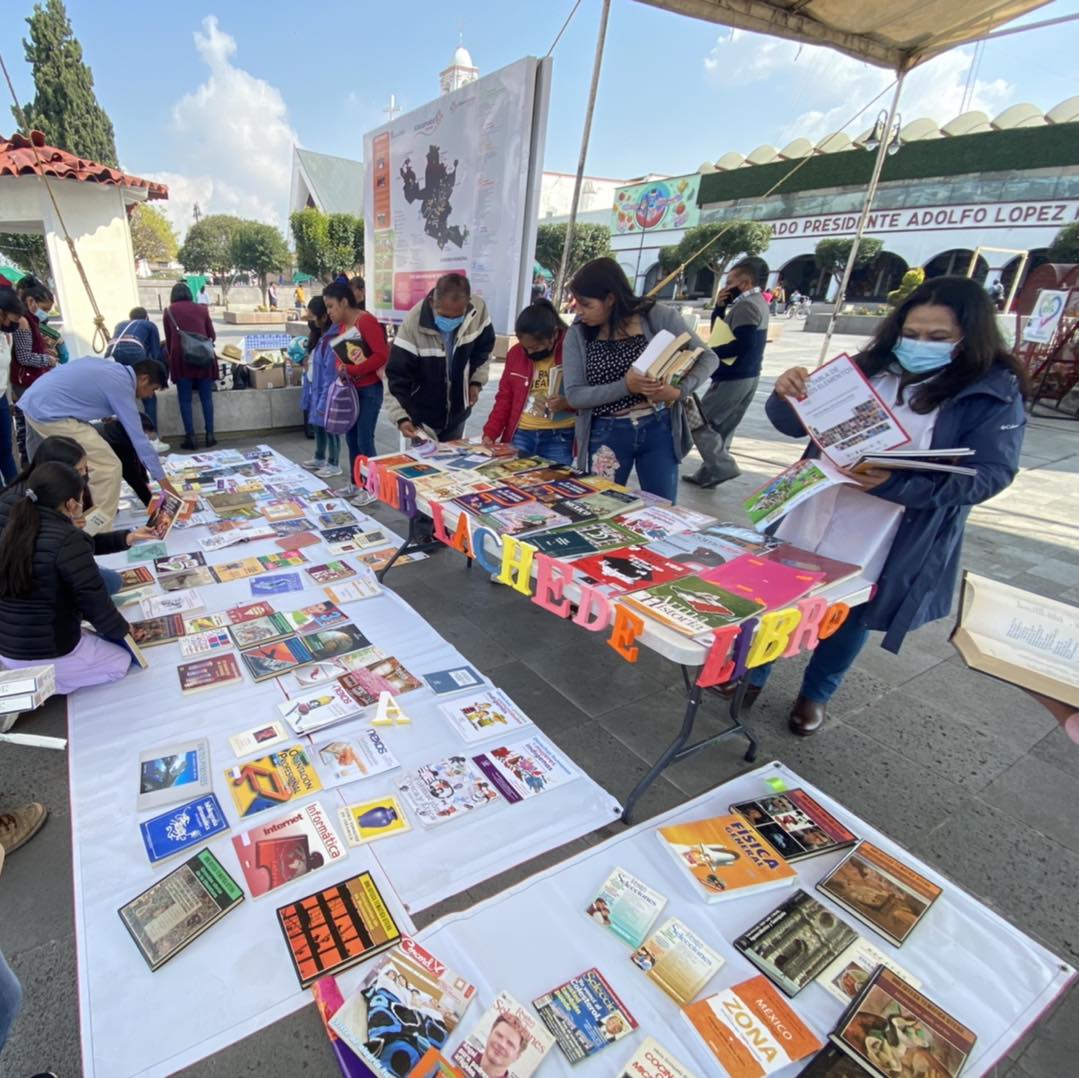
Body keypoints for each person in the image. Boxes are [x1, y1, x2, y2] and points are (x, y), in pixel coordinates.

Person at [741, 275, 1027, 736]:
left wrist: (895, 485)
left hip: (891, 524)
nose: (919, 345)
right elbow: (794, 426)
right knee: (778, 594)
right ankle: (752, 675)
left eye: (938, 338)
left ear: (970, 338)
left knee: (849, 612)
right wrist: (785, 393)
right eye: (911, 334)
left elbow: (990, 476)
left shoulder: (992, 391)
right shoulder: (868, 366)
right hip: (817, 503)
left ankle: (816, 694)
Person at [562, 258, 715, 502]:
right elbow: (575, 395)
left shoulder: (656, 316)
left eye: (586, 304)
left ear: (610, 298)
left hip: (658, 427)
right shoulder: (579, 333)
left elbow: (708, 358)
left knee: (662, 508)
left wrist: (678, 391)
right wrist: (626, 386)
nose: (578, 311)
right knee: (601, 506)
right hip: (606, 432)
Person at [0, 462, 134, 692]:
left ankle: (31, 678)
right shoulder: (67, 538)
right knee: (120, 662)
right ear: (71, 503)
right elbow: (94, 599)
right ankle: (41, 686)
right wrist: (123, 631)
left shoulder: (15, 526)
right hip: (47, 650)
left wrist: (125, 538)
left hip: (8, 648)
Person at [17, 356, 174, 527]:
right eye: (153, 389)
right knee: (109, 467)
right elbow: (140, 441)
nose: (150, 396)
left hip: (33, 402)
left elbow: (81, 383)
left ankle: (73, 517)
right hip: (50, 413)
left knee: (62, 467)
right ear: (144, 379)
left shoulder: (112, 369)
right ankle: (97, 531)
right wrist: (166, 486)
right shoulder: (122, 386)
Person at [0, 436, 156, 595]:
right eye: (79, 470)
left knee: (110, 580)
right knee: (108, 583)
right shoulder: (27, 503)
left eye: (85, 469)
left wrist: (128, 537)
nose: (84, 476)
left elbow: (80, 543)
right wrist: (65, 532)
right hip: (24, 581)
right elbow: (43, 556)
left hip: (46, 564)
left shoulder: (52, 491)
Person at [685, 261, 770, 489]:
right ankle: (709, 473)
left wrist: (705, 354)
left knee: (700, 421)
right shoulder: (758, 303)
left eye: (730, 282)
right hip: (747, 376)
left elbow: (740, 344)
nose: (726, 287)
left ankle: (722, 466)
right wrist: (719, 309)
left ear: (745, 283)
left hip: (734, 377)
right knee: (724, 426)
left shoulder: (746, 307)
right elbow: (721, 333)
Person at [386, 272, 495, 442]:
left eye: (457, 316)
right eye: (444, 315)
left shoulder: (477, 310)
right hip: (423, 416)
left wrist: (476, 382)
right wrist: (401, 417)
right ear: (432, 302)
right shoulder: (413, 323)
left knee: (453, 463)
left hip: (457, 412)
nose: (450, 321)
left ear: (467, 306)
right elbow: (395, 376)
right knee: (425, 465)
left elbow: (484, 350)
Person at [482, 298, 574, 465]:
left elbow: (588, 394)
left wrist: (568, 403)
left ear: (553, 334)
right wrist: (491, 432)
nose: (530, 352)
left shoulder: (571, 350)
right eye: (526, 348)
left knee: (553, 485)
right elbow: (504, 397)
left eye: (536, 348)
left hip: (559, 436)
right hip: (522, 433)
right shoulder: (516, 354)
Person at [322, 281, 388, 501]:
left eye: (331, 306)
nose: (329, 312)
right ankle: (355, 482)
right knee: (351, 438)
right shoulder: (342, 327)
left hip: (369, 390)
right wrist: (341, 369)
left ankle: (372, 488)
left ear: (344, 302)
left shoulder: (366, 321)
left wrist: (354, 369)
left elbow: (381, 355)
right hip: (351, 389)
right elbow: (344, 356)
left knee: (364, 439)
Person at [8, 277, 57, 467]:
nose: (45, 314)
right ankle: (38, 468)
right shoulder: (23, 323)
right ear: (31, 302)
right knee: (33, 429)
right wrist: (48, 360)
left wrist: (45, 351)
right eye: (44, 308)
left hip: (33, 381)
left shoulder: (31, 320)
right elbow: (24, 357)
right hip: (27, 382)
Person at [163, 281, 218, 451]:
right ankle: (210, 435)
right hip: (202, 357)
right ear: (189, 294)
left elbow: (169, 338)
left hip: (181, 358)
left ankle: (191, 437)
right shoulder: (202, 309)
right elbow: (212, 335)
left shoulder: (169, 311)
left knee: (185, 400)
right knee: (206, 398)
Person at [106, 306, 169, 449]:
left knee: (123, 395)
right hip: (134, 353)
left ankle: (126, 438)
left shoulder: (120, 325)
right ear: (146, 317)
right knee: (149, 394)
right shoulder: (149, 325)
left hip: (111, 355)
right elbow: (155, 355)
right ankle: (152, 439)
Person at [302, 297, 342, 478]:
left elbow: (331, 374)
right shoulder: (322, 337)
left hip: (327, 391)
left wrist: (325, 399)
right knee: (318, 425)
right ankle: (319, 457)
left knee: (331, 428)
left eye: (314, 317)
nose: (312, 321)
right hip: (317, 389)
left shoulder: (333, 339)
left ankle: (334, 463)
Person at [0, 294, 23, 483]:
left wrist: (10, 397)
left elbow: (5, 370)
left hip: (1, 398)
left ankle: (14, 492)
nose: (14, 325)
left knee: (6, 449)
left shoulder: (6, 336)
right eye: (13, 319)